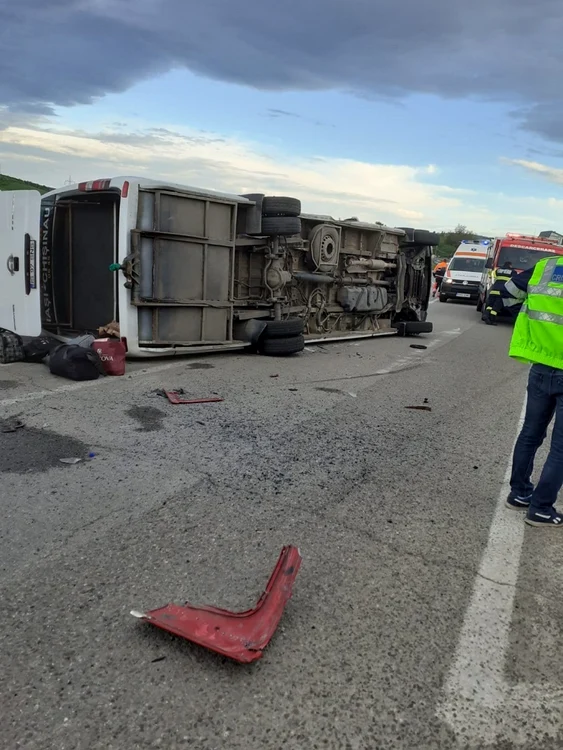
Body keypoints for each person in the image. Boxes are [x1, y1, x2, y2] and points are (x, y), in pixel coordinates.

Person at [503, 255, 563, 526]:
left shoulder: (546, 266)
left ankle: (519, 494)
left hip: (540, 362)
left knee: (530, 433)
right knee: (560, 448)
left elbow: (508, 294)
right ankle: (540, 509)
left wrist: (529, 325)